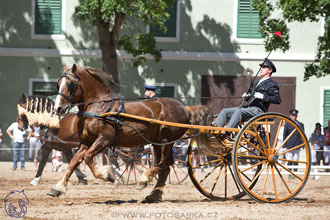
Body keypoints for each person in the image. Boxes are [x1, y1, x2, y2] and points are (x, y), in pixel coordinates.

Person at [212, 58, 281, 138]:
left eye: (264, 67)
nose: (261, 69)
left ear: (270, 70)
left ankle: (227, 132)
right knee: (225, 111)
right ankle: (214, 129)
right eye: (261, 67)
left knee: (239, 112)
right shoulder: (257, 83)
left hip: (259, 111)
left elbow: (277, 99)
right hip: (249, 108)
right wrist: (248, 97)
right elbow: (253, 98)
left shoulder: (272, 84)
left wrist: (262, 96)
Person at [283, 109, 305, 177]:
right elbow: (285, 135)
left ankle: (295, 173)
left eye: (295, 115)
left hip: (297, 143)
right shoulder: (287, 125)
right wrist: (284, 145)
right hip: (289, 144)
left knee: (296, 159)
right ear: (290, 116)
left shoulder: (300, 124)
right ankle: (290, 173)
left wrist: (302, 144)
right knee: (290, 159)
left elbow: (302, 135)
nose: (294, 117)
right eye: (293, 116)